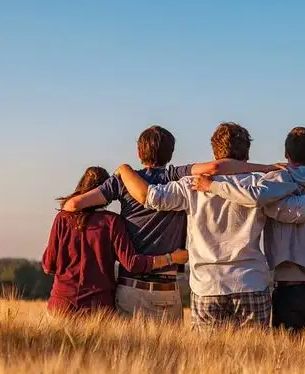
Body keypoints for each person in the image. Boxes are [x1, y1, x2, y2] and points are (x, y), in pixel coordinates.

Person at [115, 122, 305, 331]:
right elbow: (298, 211)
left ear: (215, 151)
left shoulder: (190, 185)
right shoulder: (260, 184)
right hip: (250, 282)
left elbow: (150, 197)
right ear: (247, 153)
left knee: (208, 361)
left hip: (207, 286)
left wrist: (124, 170)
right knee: (254, 363)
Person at [61, 125, 280, 322]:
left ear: (139, 152)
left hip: (132, 287)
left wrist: (110, 218)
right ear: (171, 153)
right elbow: (214, 168)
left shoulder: (122, 181)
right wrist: (266, 168)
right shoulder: (176, 176)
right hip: (169, 288)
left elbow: (73, 205)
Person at [193, 127, 305, 337]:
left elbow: (253, 197)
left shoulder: (272, 186)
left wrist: (213, 186)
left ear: (286, 154)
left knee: (286, 363)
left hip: (288, 291)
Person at [42, 166, 188, 317]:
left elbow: (48, 265)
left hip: (60, 306)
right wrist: (171, 258)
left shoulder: (62, 218)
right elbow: (132, 263)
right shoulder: (112, 222)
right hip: (98, 309)